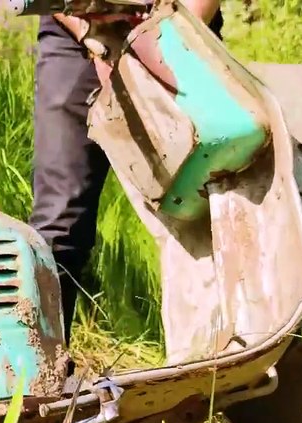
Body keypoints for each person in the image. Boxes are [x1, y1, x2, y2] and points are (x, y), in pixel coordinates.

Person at [30, 2, 224, 348]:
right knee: (58, 222)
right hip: (75, 34)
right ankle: (44, 373)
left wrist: (163, 40)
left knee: (210, 207)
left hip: (177, 22)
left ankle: (217, 363)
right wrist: (90, 33)